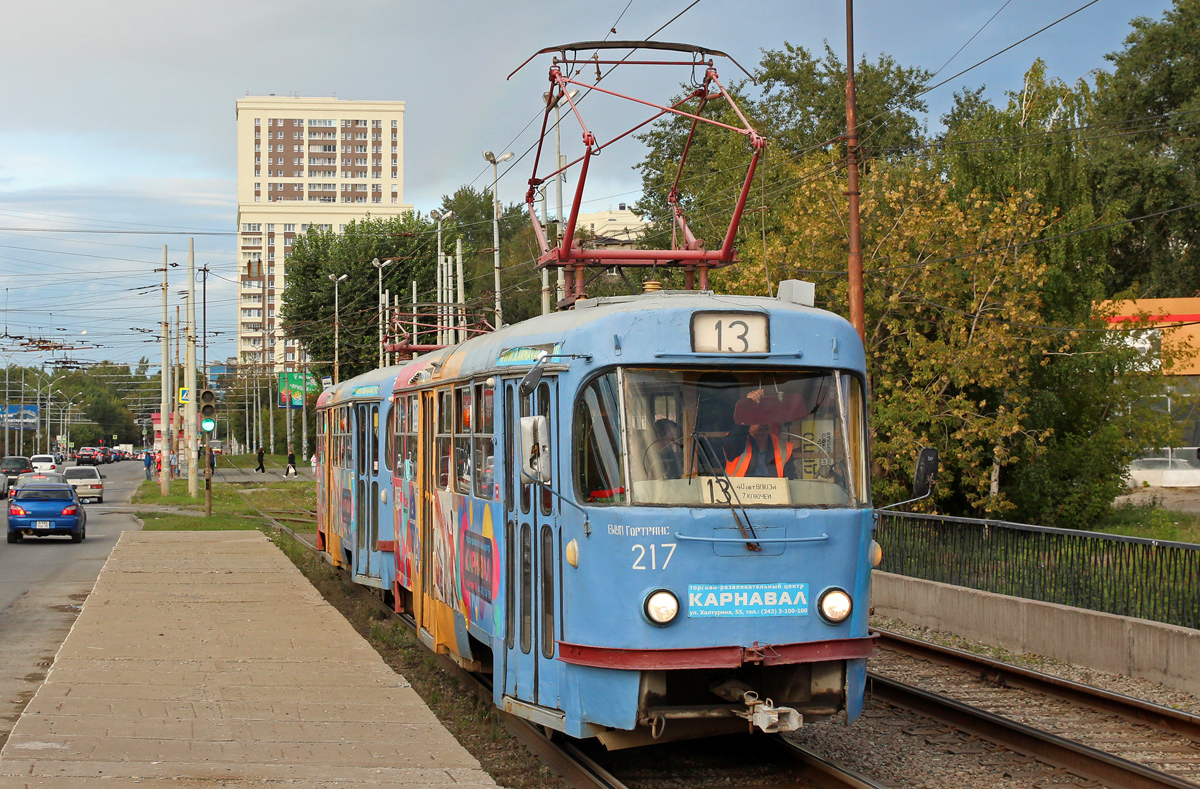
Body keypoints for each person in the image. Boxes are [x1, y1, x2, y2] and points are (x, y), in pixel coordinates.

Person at [723, 389, 798, 479]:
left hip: (773, 492)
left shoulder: (784, 448)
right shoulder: (737, 442)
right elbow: (734, 438)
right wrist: (747, 405)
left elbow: (790, 481)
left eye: (766, 419)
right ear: (748, 422)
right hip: (737, 492)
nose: (763, 423)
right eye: (757, 419)